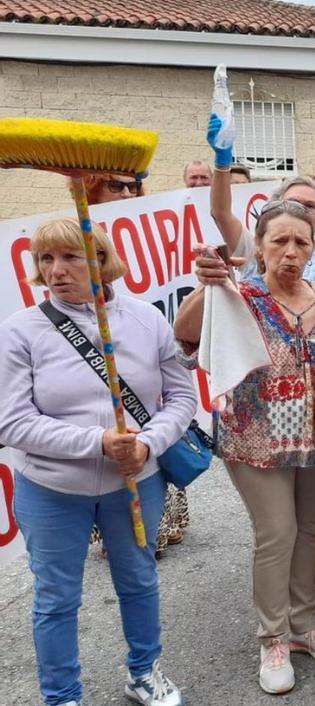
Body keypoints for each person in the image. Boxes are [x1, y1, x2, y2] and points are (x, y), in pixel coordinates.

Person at [0, 219, 196, 706]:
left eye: (70, 257)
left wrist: (148, 444)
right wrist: (97, 442)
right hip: (51, 489)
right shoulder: (21, 330)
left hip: (135, 483)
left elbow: (181, 396)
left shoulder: (146, 319)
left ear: (101, 261)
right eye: (46, 259)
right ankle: (62, 695)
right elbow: (11, 423)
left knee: (138, 580)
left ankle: (144, 672)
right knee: (56, 599)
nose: (56, 270)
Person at [173, 203, 315, 695]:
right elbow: (185, 337)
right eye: (279, 242)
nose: (291, 252)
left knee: (311, 528)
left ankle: (302, 623)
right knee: (278, 531)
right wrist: (208, 286)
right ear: (260, 247)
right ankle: (272, 636)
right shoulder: (240, 297)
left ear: (314, 247)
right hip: (255, 439)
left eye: (301, 242)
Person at [80, 176, 186, 555]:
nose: (127, 194)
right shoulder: (77, 228)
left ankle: (154, 530)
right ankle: (111, 535)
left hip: (143, 358)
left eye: (133, 186)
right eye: (115, 186)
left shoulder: (149, 221)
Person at [206, 115, 315, 304]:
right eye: (293, 203)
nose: (301, 211)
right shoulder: (257, 248)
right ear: (275, 208)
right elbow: (221, 213)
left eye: (309, 206)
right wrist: (222, 162)